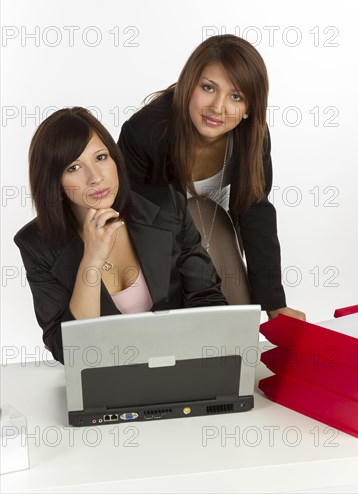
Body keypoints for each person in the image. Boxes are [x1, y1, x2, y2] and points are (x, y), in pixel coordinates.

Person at [14, 107, 227, 364]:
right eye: (74, 167)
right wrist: (91, 262)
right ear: (53, 181)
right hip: (105, 379)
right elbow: (71, 352)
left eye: (101, 157)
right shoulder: (37, 244)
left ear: (115, 159)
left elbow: (207, 298)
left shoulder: (167, 206)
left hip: (180, 362)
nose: (95, 177)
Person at [118, 35, 305, 320]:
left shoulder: (252, 137)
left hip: (211, 230)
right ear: (188, 84)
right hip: (150, 241)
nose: (218, 108)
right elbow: (130, 217)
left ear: (249, 108)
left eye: (236, 96)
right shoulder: (145, 131)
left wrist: (274, 305)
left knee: (238, 323)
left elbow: (256, 214)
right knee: (196, 211)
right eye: (208, 88)